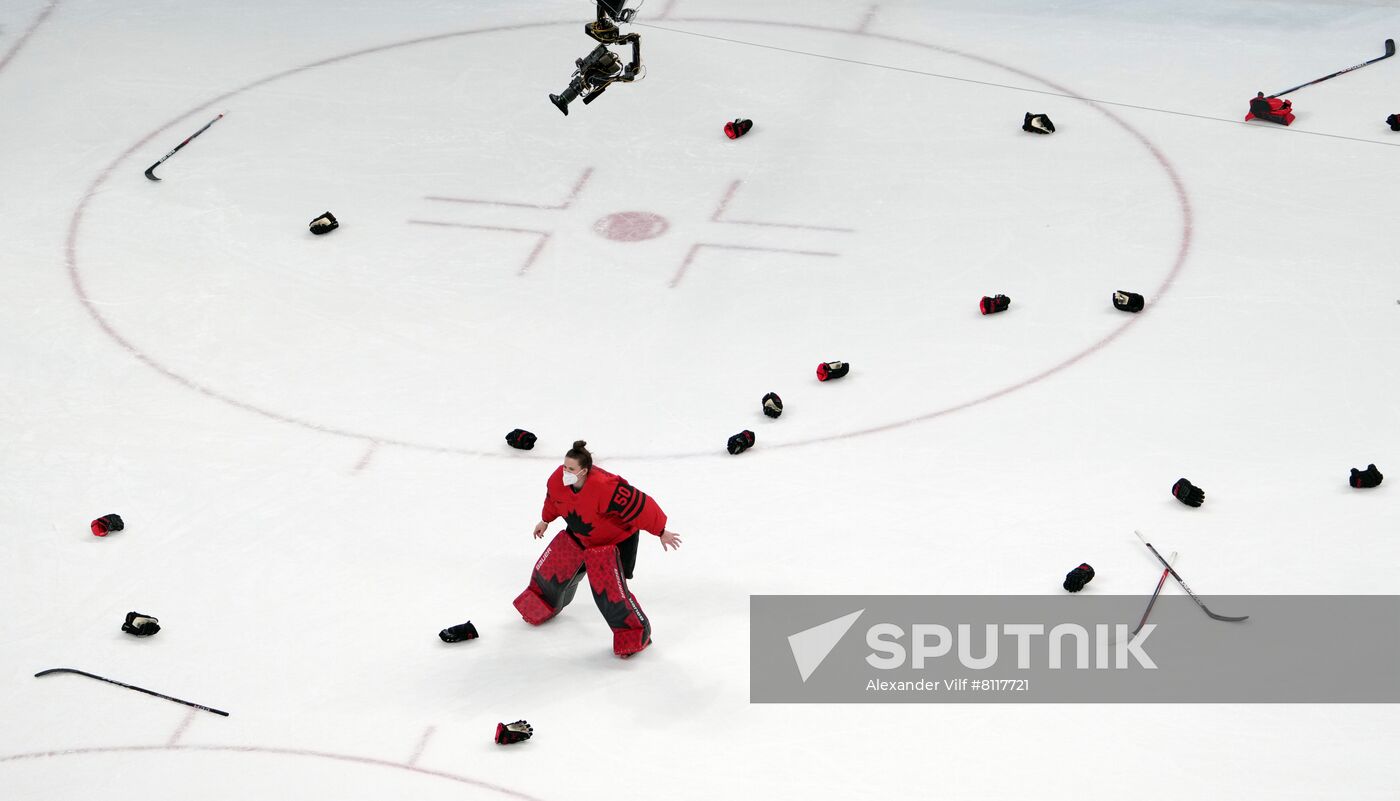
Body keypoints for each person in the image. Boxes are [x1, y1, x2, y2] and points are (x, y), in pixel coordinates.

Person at [512, 440, 681, 657]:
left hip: (613, 542)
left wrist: (660, 531)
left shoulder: (606, 488)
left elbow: (642, 507)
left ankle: (635, 632)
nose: (565, 472)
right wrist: (545, 521)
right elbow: (554, 500)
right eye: (564, 466)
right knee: (551, 570)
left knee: (609, 592)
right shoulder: (557, 480)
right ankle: (543, 602)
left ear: (583, 471)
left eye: (571, 469)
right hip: (580, 532)